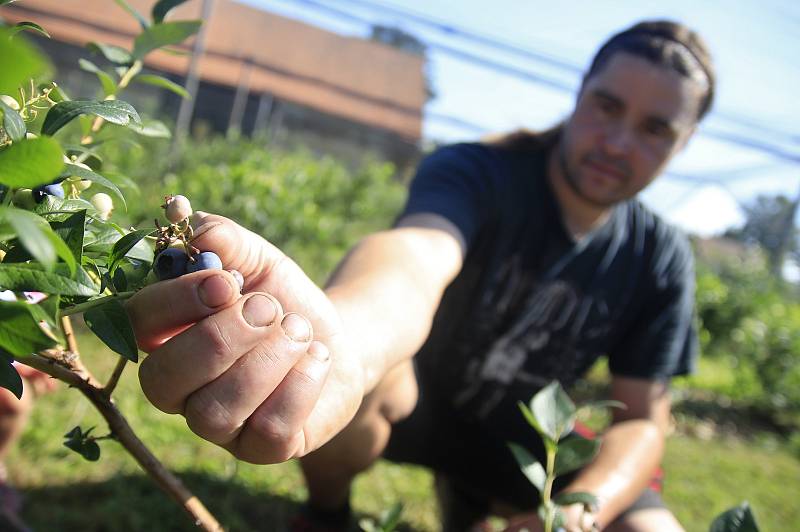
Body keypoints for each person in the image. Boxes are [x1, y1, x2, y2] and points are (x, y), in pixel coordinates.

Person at [126, 19, 714, 531]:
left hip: (527, 443)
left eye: (655, 129)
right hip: (412, 405)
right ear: (581, 93)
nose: (617, 142)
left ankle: (477, 503)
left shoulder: (659, 256)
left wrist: (579, 511)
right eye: (608, 106)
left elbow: (641, 422)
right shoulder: (480, 173)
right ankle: (327, 513)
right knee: (354, 376)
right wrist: (347, 345)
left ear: (685, 143)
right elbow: (415, 260)